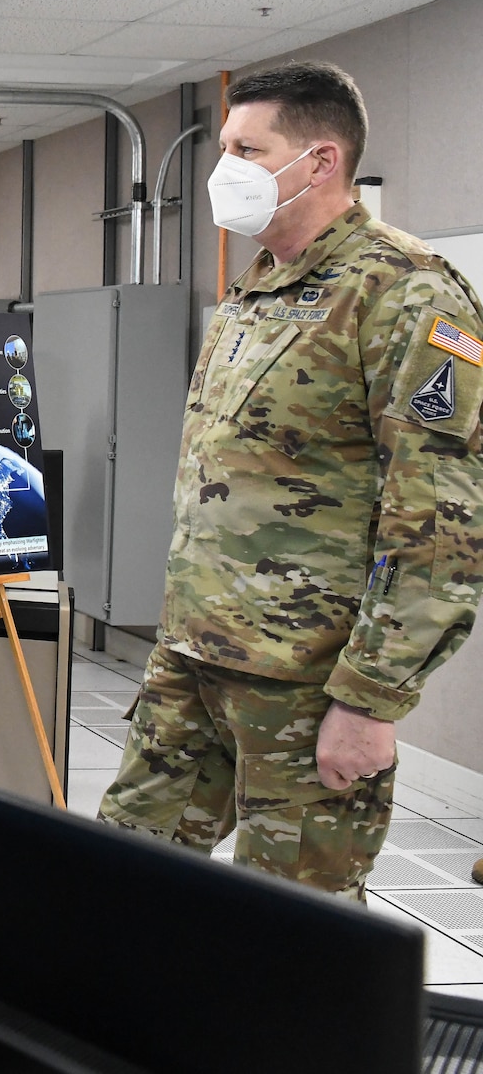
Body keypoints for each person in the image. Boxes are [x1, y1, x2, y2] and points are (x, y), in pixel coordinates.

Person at [99, 62, 483, 902]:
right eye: (223, 146)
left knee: (294, 934)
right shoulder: (259, 287)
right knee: (118, 883)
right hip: (194, 658)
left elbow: (439, 520)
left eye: (246, 147)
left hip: (306, 685)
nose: (222, 168)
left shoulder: (405, 290)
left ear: (318, 161)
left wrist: (371, 701)